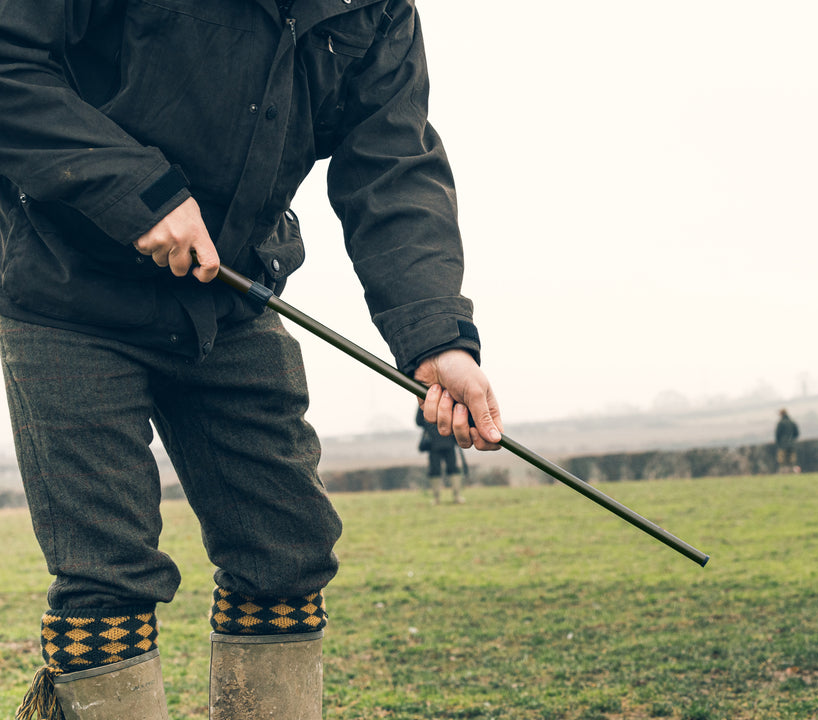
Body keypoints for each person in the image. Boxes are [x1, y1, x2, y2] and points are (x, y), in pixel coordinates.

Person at [0, 2, 503, 718]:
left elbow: (392, 164)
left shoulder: (380, 10)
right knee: (105, 575)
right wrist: (135, 193)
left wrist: (437, 336)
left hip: (227, 298)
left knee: (288, 550)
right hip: (64, 288)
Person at [417, 406, 466, 504]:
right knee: (452, 469)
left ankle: (437, 498)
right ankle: (456, 497)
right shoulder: (449, 398)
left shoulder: (424, 401)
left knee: (435, 470)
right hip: (448, 440)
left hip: (434, 443)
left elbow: (418, 421)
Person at [774, 409, 800, 473]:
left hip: (782, 445)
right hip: (792, 445)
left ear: (781, 414)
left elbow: (777, 435)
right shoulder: (792, 422)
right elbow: (796, 433)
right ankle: (792, 473)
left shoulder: (780, 423)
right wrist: (792, 440)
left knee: (782, 462)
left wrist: (779, 443)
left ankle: (784, 474)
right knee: (792, 461)